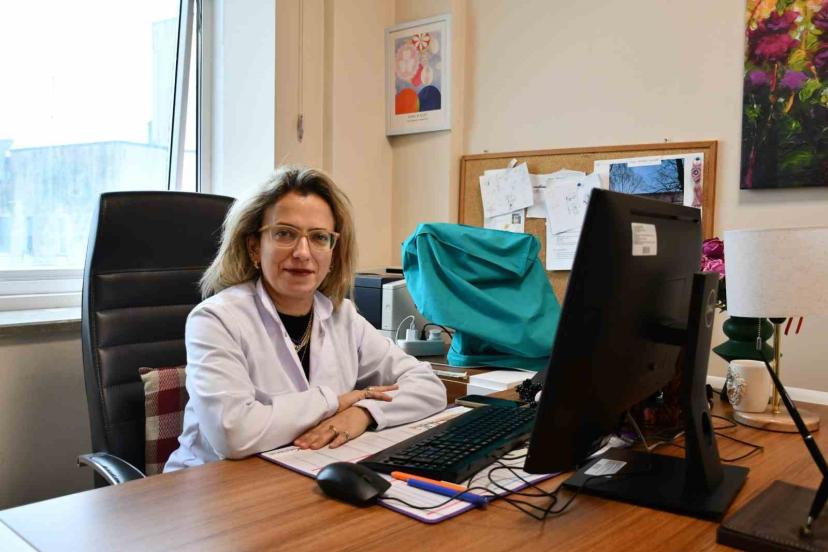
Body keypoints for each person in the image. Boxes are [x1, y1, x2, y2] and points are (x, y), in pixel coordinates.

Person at [165, 166, 447, 470]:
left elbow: (429, 387)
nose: (302, 252)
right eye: (284, 233)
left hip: (302, 472)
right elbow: (233, 433)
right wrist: (335, 401)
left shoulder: (342, 316)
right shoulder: (215, 319)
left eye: (319, 237)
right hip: (210, 483)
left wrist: (363, 412)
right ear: (254, 247)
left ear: (333, 253)